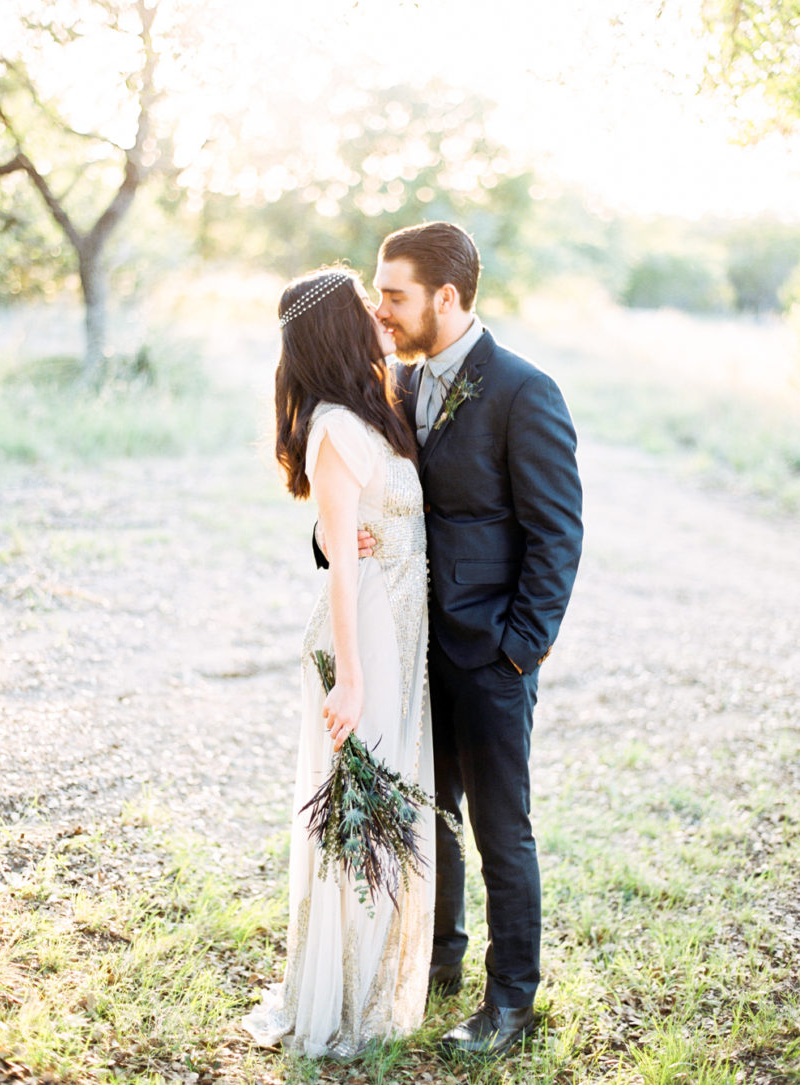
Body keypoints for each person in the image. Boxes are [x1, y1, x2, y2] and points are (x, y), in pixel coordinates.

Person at [368, 221, 584, 1056]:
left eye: (395, 294)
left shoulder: (525, 391)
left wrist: (519, 647)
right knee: (432, 814)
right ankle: (440, 960)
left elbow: (556, 535)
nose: (381, 310)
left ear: (446, 297)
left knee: (502, 828)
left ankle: (512, 999)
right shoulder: (400, 380)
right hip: (417, 644)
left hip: (492, 653)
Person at [241, 268, 435, 1058]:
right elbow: (342, 570)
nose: (377, 313)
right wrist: (351, 678)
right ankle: (346, 994)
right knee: (365, 809)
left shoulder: (371, 409)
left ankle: (380, 978)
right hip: (366, 636)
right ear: (338, 329)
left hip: (399, 624)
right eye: (366, 305)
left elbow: (355, 532)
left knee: (388, 803)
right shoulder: (332, 429)